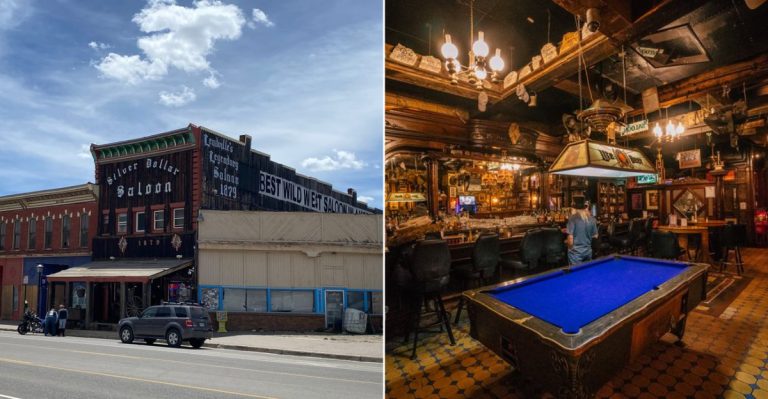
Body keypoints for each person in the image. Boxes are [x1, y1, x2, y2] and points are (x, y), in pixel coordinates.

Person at [566, 197, 598, 265]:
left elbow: (570, 240)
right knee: (587, 273)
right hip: (588, 252)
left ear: (574, 208)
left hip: (575, 254)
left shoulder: (572, 218)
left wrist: (569, 247)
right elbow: (595, 236)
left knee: (575, 275)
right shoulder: (592, 219)